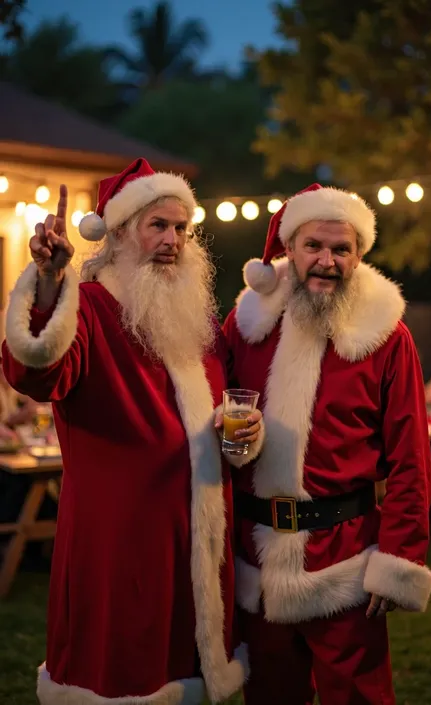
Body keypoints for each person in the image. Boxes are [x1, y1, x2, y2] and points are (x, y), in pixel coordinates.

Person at [1, 157, 263, 705]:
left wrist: (242, 433)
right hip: (117, 546)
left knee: (186, 671)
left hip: (195, 537)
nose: (173, 240)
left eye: (181, 229)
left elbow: (222, 411)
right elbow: (36, 371)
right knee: (120, 679)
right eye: (158, 226)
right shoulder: (91, 308)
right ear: (119, 234)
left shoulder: (197, 321)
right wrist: (49, 283)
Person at [223, 183, 431, 705]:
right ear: (289, 249)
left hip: (346, 564)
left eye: (342, 249)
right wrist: (227, 440)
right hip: (258, 564)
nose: (327, 261)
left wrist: (399, 557)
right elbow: (214, 415)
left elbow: (411, 457)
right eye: (314, 246)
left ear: (359, 255)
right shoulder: (245, 326)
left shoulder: (386, 336)